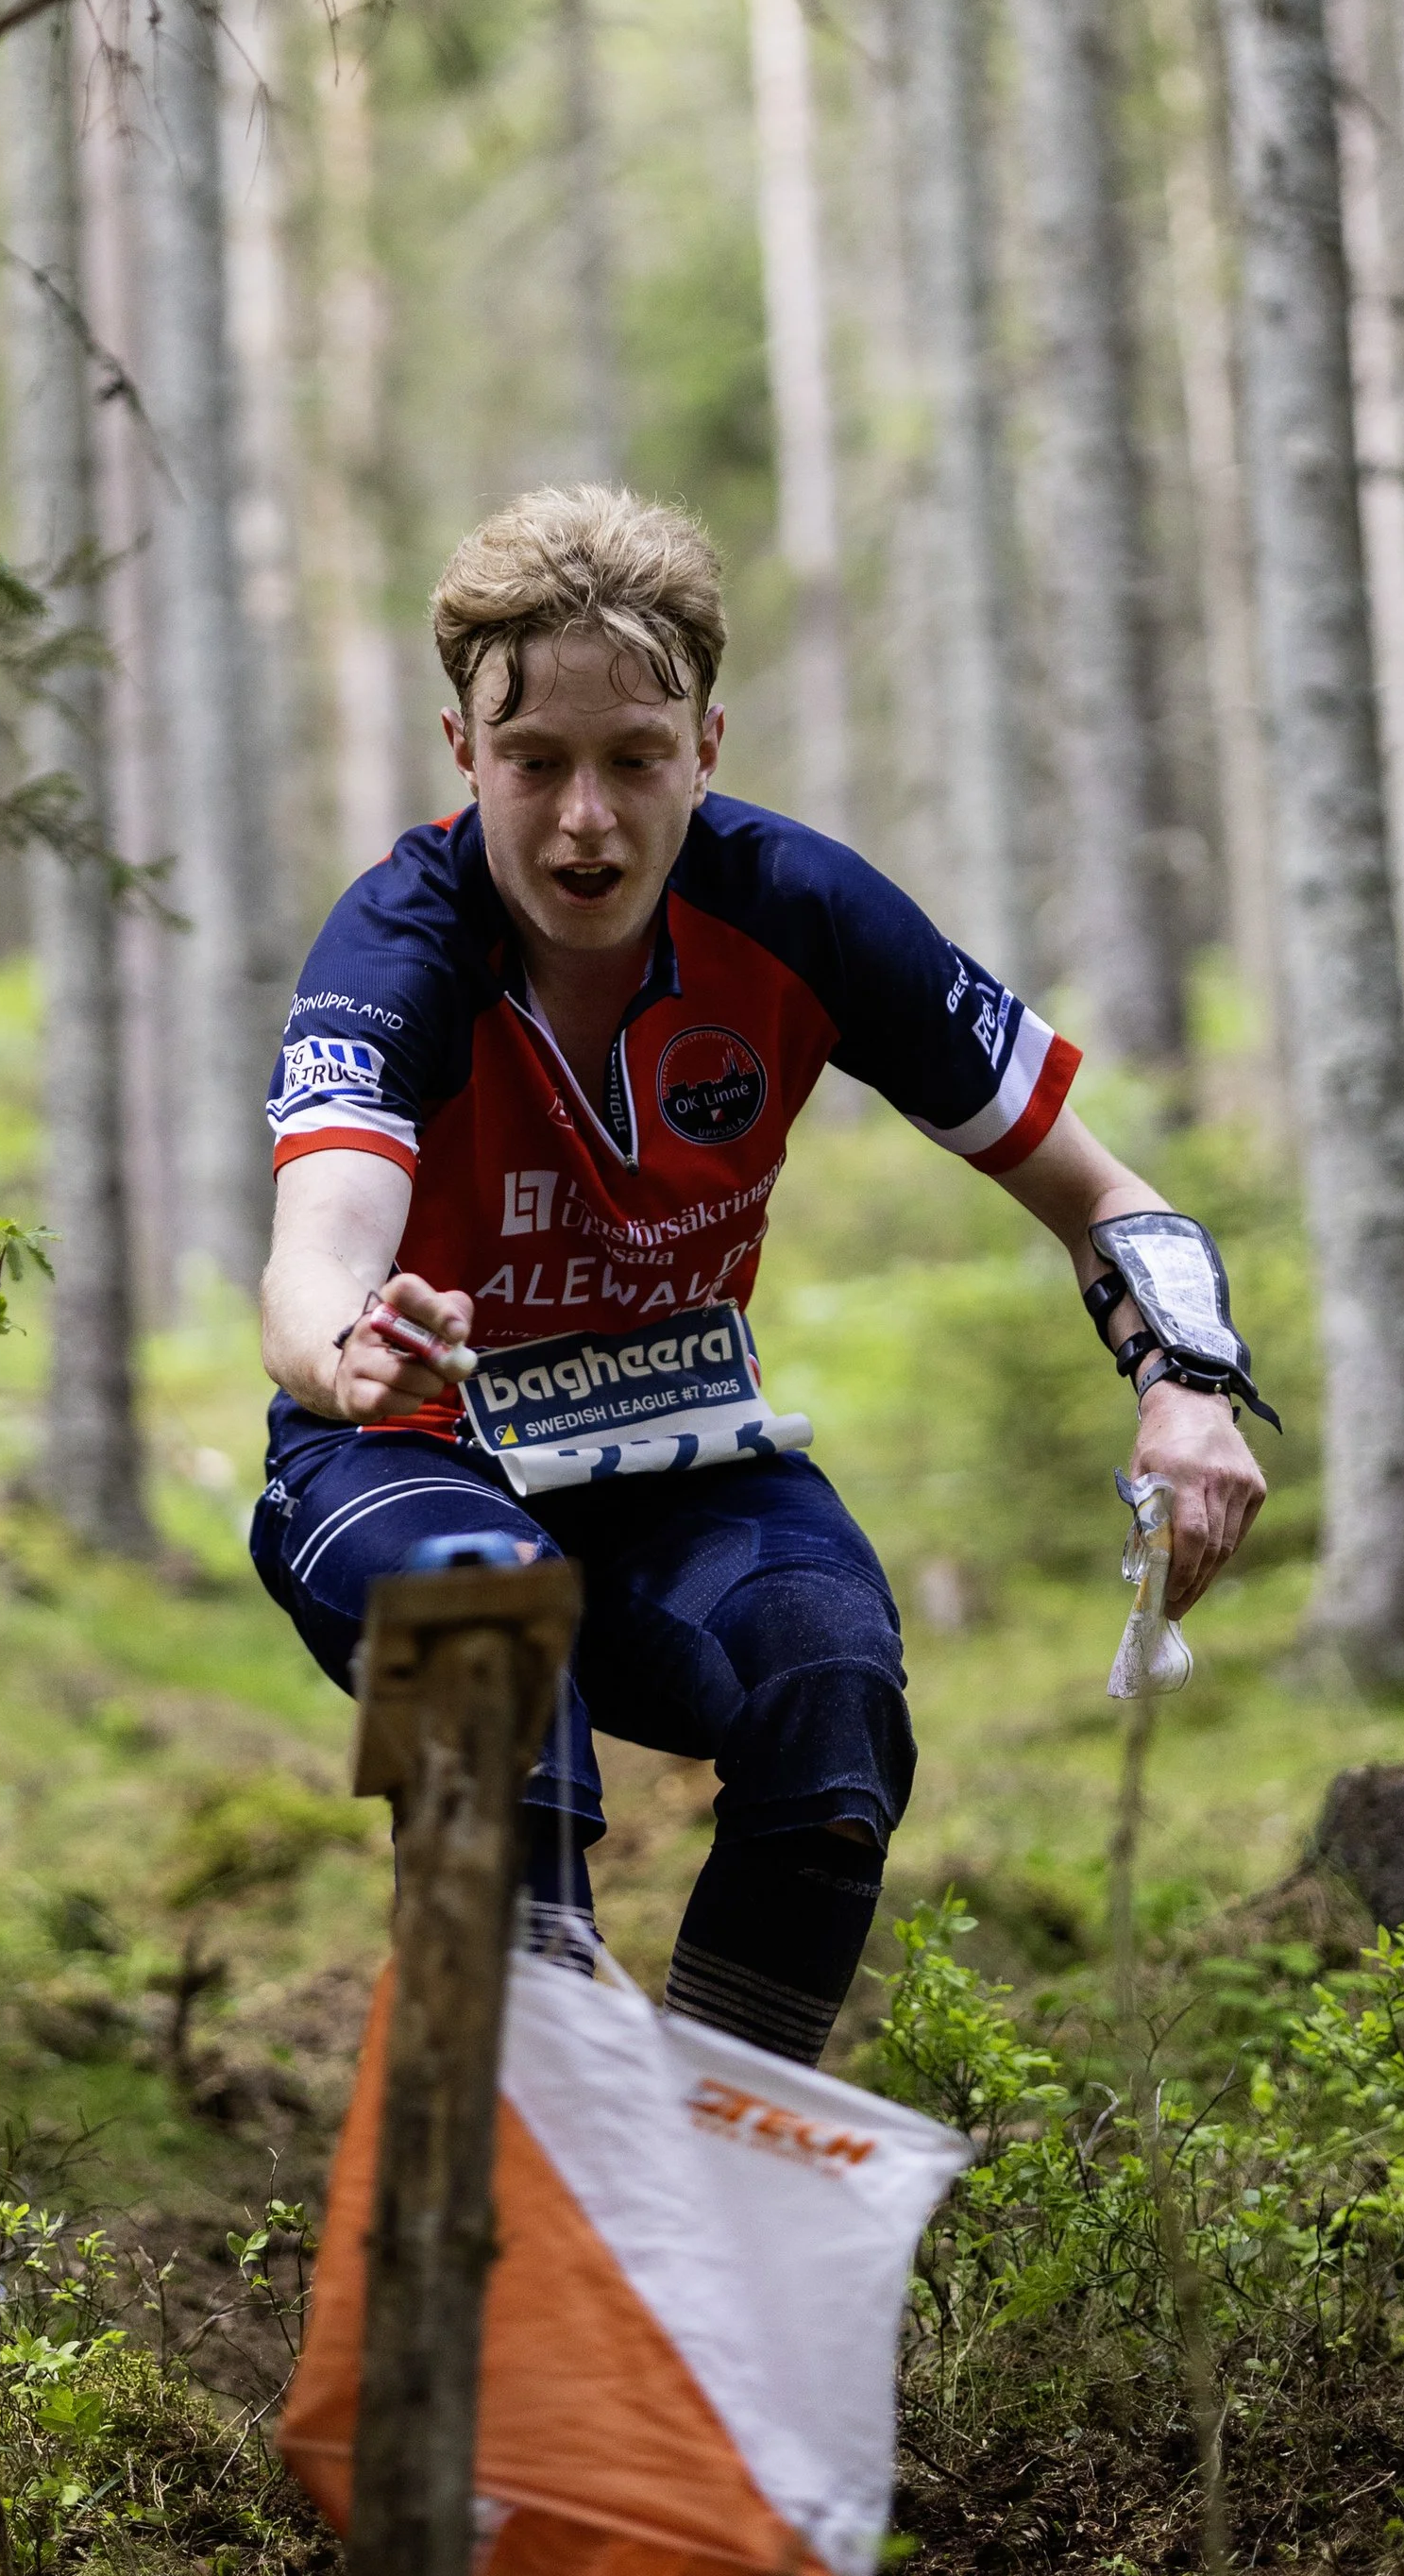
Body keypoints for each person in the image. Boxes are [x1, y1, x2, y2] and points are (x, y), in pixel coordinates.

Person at [252, 487, 1266, 2066]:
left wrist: (1188, 1387)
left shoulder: (802, 907)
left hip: (675, 1459)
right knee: (480, 1647)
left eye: (635, 760)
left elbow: (1107, 1197)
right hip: (404, 1456)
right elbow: (314, 1255)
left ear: (707, 748)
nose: (585, 820)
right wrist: (349, 1352)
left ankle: (726, 2157)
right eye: (535, 764)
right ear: (464, 753)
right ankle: (482, 2160)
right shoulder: (394, 945)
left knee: (833, 1686)